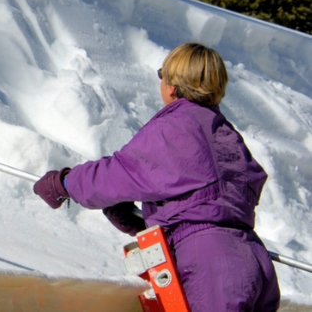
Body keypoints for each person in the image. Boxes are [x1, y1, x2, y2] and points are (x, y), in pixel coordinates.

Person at [33, 43, 280, 311]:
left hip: (212, 268)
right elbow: (206, 207)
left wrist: (64, 183)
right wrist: (142, 224)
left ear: (172, 85)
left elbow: (118, 175)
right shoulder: (225, 135)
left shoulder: (177, 128)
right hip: (254, 263)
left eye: (162, 74)